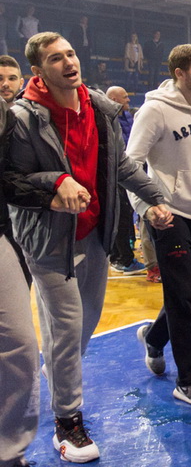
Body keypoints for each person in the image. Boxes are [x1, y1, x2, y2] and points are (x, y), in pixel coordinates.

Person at [6, 32, 172, 463]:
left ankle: (58, 370)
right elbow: (13, 182)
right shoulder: (23, 118)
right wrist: (57, 182)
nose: (68, 62)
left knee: (82, 327)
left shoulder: (98, 108)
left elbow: (120, 164)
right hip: (47, 239)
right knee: (66, 326)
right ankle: (67, 422)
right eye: (55, 58)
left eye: (71, 53)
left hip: (94, 231)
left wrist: (155, 198)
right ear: (38, 71)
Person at [127, 44, 191, 405]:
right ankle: (189, 381)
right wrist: (147, 207)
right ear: (179, 73)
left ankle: (154, 338)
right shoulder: (154, 111)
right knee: (182, 297)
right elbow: (130, 165)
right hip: (169, 214)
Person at [0, 97, 40, 467]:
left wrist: (52, 187)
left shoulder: (4, 114)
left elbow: (11, 176)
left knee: (21, 344)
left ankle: (9, 454)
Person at [105, 86, 145, 275]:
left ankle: (121, 256)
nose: (128, 100)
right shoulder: (108, 119)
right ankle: (123, 259)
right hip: (115, 175)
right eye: (125, 97)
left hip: (127, 173)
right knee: (119, 217)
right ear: (114, 99)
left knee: (126, 216)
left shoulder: (127, 116)